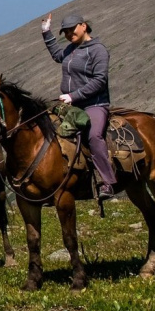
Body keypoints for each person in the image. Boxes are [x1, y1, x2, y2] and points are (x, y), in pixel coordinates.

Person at [41, 12, 116, 198]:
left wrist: (73, 96)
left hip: (94, 104)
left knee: (94, 136)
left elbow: (100, 80)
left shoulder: (98, 50)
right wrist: (46, 33)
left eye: (72, 29)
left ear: (83, 26)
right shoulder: (70, 49)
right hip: (71, 105)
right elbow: (58, 55)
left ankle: (106, 182)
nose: (68, 34)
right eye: (65, 31)